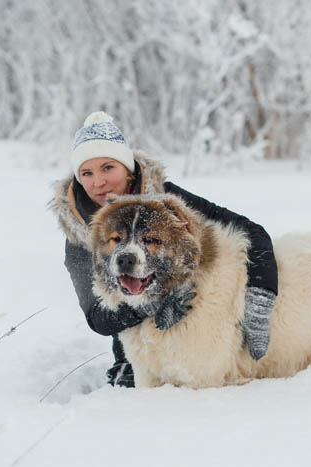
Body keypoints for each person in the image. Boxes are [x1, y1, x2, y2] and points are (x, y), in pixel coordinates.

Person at [50, 111, 278, 387]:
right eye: (87, 173)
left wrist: (260, 300)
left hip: (197, 327)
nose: (98, 182)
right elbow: (98, 319)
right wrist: (150, 302)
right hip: (134, 351)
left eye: (108, 167)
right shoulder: (79, 234)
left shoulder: (167, 203)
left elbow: (252, 232)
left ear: (128, 167)